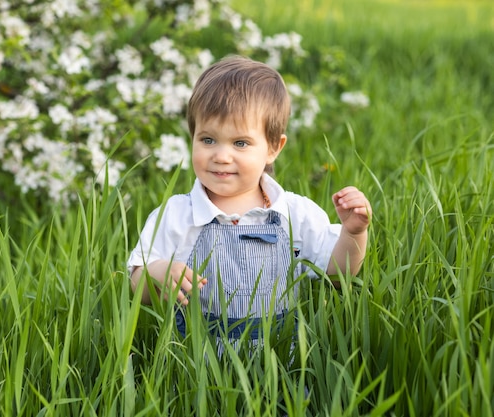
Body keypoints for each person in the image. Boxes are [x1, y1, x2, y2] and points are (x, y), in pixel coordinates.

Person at [127, 55, 371, 349]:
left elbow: (337, 274)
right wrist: (157, 272)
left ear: (272, 148)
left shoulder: (292, 213)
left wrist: (353, 233)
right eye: (207, 140)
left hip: (279, 365)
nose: (221, 155)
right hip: (198, 368)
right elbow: (137, 284)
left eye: (240, 143)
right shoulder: (178, 214)